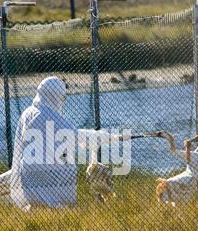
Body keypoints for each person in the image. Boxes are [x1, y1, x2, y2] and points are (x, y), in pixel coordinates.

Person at [10, 76, 126, 212]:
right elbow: (78, 136)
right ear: (54, 95)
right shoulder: (53, 118)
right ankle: (62, 208)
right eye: (62, 97)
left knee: (39, 207)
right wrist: (107, 137)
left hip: (28, 178)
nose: (62, 101)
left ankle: (39, 209)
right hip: (48, 175)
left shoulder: (27, 113)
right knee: (87, 172)